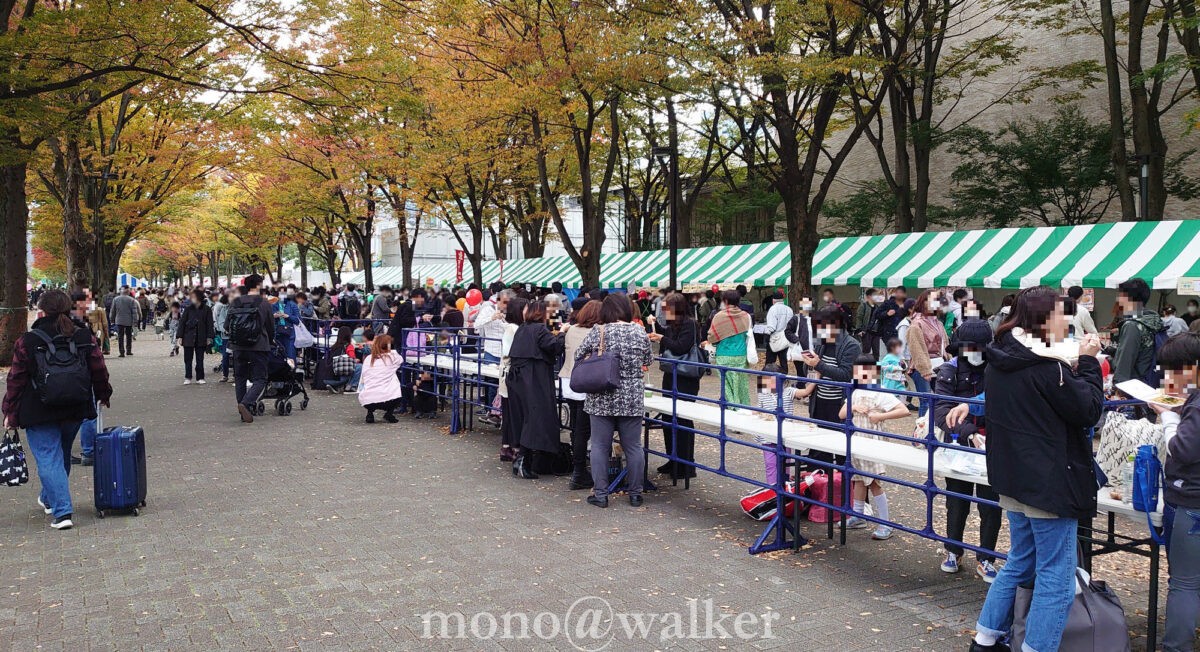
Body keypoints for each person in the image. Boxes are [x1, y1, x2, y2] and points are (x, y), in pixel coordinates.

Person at [968, 286, 1103, 652]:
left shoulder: (1003, 357)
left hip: (1012, 477)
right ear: (1044, 320)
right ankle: (1036, 647)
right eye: (1062, 315)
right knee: (1056, 576)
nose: (1068, 322)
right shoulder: (1047, 367)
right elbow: (1088, 410)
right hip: (1048, 482)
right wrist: (1089, 364)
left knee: (1021, 560)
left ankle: (986, 637)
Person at [2, 290, 113, 530]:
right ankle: (49, 498)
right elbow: (98, 369)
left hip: (38, 409)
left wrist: (9, 412)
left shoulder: (29, 341)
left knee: (48, 457)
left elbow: (16, 379)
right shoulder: (83, 336)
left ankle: (62, 512)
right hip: (74, 406)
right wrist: (103, 394)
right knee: (60, 454)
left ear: (41, 311)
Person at [933, 319, 1003, 583]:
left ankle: (986, 558)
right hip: (959, 444)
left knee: (991, 504)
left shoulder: (997, 369)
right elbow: (942, 411)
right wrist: (968, 433)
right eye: (969, 347)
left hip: (992, 445)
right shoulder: (948, 371)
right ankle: (953, 550)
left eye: (980, 347)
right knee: (957, 501)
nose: (974, 352)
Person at [577, 295, 652, 508]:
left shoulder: (599, 331)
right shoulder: (639, 331)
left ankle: (601, 494)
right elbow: (648, 360)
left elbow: (578, 356)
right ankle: (636, 493)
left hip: (601, 395)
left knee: (600, 446)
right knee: (634, 447)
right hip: (631, 396)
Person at [1150, 332, 1200, 652]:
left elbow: (1182, 449)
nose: (1170, 379)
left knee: (1183, 584)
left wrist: (1169, 418)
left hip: (1191, 502)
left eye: (1174, 370)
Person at [838, 356, 907, 540]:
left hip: (874, 443)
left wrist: (881, 417)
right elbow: (841, 413)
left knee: (874, 482)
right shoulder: (854, 392)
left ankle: (885, 523)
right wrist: (854, 407)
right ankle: (858, 516)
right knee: (859, 479)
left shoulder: (881, 393)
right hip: (857, 442)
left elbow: (903, 410)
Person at [506, 300, 564, 480]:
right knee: (535, 417)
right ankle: (524, 459)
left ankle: (522, 459)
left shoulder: (522, 328)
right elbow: (554, 347)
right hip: (533, 379)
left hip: (518, 378)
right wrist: (562, 334)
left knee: (526, 417)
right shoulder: (539, 329)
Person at [798, 307, 862, 465]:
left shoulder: (852, 345)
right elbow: (813, 371)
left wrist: (818, 364)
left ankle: (842, 485)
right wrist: (809, 365)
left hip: (839, 405)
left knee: (841, 449)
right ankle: (818, 482)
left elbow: (845, 375)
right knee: (819, 448)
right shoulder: (821, 342)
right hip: (819, 401)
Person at [649, 293, 701, 480]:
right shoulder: (674, 324)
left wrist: (661, 338)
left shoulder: (689, 324)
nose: (665, 311)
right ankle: (673, 458)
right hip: (671, 374)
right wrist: (655, 328)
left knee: (683, 419)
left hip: (686, 378)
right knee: (668, 417)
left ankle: (687, 464)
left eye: (667, 308)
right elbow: (669, 338)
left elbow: (680, 347)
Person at [560, 300, 600, 489]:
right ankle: (579, 471)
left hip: (568, 379)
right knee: (583, 430)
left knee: (577, 428)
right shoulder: (598, 333)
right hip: (586, 382)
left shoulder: (571, 330)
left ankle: (578, 468)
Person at [228, 274, 275, 423]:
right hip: (258, 345)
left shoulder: (235, 302)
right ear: (258, 285)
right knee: (260, 379)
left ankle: (243, 411)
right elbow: (270, 326)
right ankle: (246, 403)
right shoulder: (264, 303)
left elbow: (227, 325)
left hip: (238, 345)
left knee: (240, 377)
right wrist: (271, 340)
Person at [755, 364, 812, 486]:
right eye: (766, 379)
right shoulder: (763, 392)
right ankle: (772, 488)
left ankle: (784, 486)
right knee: (770, 463)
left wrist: (815, 379)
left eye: (772, 380)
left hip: (785, 435)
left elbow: (805, 392)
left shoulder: (788, 391)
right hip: (767, 435)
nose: (769, 383)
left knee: (785, 462)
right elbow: (759, 409)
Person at [706, 290, 753, 407]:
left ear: (725, 301)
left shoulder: (718, 316)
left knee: (727, 386)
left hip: (723, 355)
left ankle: (731, 409)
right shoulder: (746, 316)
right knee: (741, 385)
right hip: (741, 355)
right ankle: (742, 408)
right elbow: (748, 335)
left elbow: (711, 337)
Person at [906, 290, 947, 417]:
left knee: (939, 400)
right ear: (924, 303)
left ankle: (933, 429)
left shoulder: (938, 322)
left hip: (939, 364)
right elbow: (916, 348)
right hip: (922, 366)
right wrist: (925, 369)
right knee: (926, 401)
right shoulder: (917, 323)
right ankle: (922, 433)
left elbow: (945, 344)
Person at [497, 297, 527, 460]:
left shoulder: (513, 328)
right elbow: (510, 352)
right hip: (511, 374)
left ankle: (507, 446)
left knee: (510, 412)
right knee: (513, 412)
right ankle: (513, 447)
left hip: (508, 374)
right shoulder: (513, 329)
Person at [355, 334, 404, 423]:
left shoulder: (369, 358)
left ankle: (370, 413)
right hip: (388, 399)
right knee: (394, 378)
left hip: (367, 400)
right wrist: (392, 351)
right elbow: (401, 360)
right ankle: (389, 413)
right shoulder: (392, 357)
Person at [178, 289, 215, 385]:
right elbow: (182, 323)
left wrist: (209, 337)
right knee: (187, 359)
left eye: (193, 297)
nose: (192, 299)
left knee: (200, 359)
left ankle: (200, 377)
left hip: (201, 336)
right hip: (188, 336)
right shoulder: (188, 308)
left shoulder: (207, 309)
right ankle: (188, 376)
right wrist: (180, 336)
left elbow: (210, 324)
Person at [783, 297, 813, 379]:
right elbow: (787, 331)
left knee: (813, 375)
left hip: (814, 351)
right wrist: (796, 340)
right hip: (801, 350)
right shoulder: (796, 318)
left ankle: (811, 390)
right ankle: (801, 389)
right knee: (802, 374)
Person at [763, 291, 794, 367]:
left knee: (770, 361)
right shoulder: (789, 309)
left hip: (774, 338)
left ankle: (768, 377)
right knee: (783, 361)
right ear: (782, 300)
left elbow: (771, 327)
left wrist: (766, 336)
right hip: (786, 338)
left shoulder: (773, 309)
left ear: (773, 300)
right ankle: (784, 377)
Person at [110, 287, 141, 357]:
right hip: (128, 320)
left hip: (119, 320)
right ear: (128, 293)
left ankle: (121, 352)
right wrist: (135, 321)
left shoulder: (116, 299)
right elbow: (134, 312)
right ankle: (128, 350)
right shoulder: (132, 300)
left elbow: (113, 311)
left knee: (120, 336)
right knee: (129, 336)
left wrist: (112, 319)